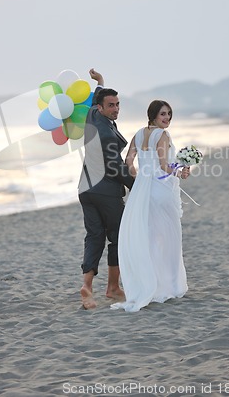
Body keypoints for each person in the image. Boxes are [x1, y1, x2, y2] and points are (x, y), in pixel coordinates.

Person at [111, 100, 190, 313]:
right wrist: (180, 170)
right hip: (160, 189)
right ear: (153, 115)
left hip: (142, 191)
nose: (167, 118)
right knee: (169, 237)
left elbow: (128, 162)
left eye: (169, 114)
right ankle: (171, 286)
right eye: (163, 114)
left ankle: (152, 285)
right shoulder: (162, 135)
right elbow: (164, 165)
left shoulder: (138, 133)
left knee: (151, 237)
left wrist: (140, 179)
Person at [78, 69, 135, 309]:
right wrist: (137, 185)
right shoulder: (107, 135)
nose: (116, 109)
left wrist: (99, 82)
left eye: (118, 105)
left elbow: (97, 95)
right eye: (111, 106)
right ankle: (112, 288)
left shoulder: (92, 114)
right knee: (117, 237)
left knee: (93, 237)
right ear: (101, 108)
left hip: (85, 190)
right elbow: (114, 167)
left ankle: (87, 287)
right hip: (105, 191)